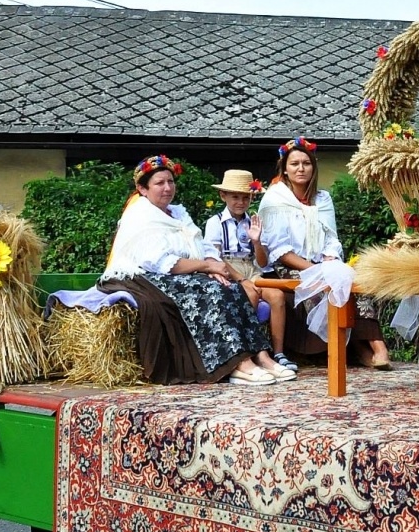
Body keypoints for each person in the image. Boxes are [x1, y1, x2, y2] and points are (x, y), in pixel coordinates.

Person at [100, 155, 294, 386]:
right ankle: (236, 363)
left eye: (171, 182)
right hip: (147, 276)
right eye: (159, 183)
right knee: (211, 292)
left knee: (232, 288)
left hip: (183, 270)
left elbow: (201, 246)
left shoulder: (177, 213)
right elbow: (160, 262)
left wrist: (215, 265)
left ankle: (261, 354)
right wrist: (206, 266)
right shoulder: (140, 215)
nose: (167, 188)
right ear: (142, 189)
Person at [259, 137, 392, 368]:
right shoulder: (274, 199)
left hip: (322, 263)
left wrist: (331, 259)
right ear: (285, 169)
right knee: (326, 287)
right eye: (294, 164)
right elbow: (279, 250)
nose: (301, 168)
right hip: (289, 266)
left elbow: (331, 238)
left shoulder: (323, 199)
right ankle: (356, 349)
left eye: (306, 163)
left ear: (313, 167)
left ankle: (377, 346)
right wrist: (315, 270)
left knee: (355, 282)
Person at [203, 169, 292, 370]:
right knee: (249, 294)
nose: (240, 202)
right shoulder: (215, 223)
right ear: (223, 195)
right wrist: (241, 279)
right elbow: (214, 258)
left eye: (245, 197)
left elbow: (261, 263)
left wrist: (257, 241)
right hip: (228, 269)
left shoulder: (253, 222)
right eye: (235, 197)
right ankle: (246, 352)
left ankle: (278, 352)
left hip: (251, 268)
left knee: (277, 296)